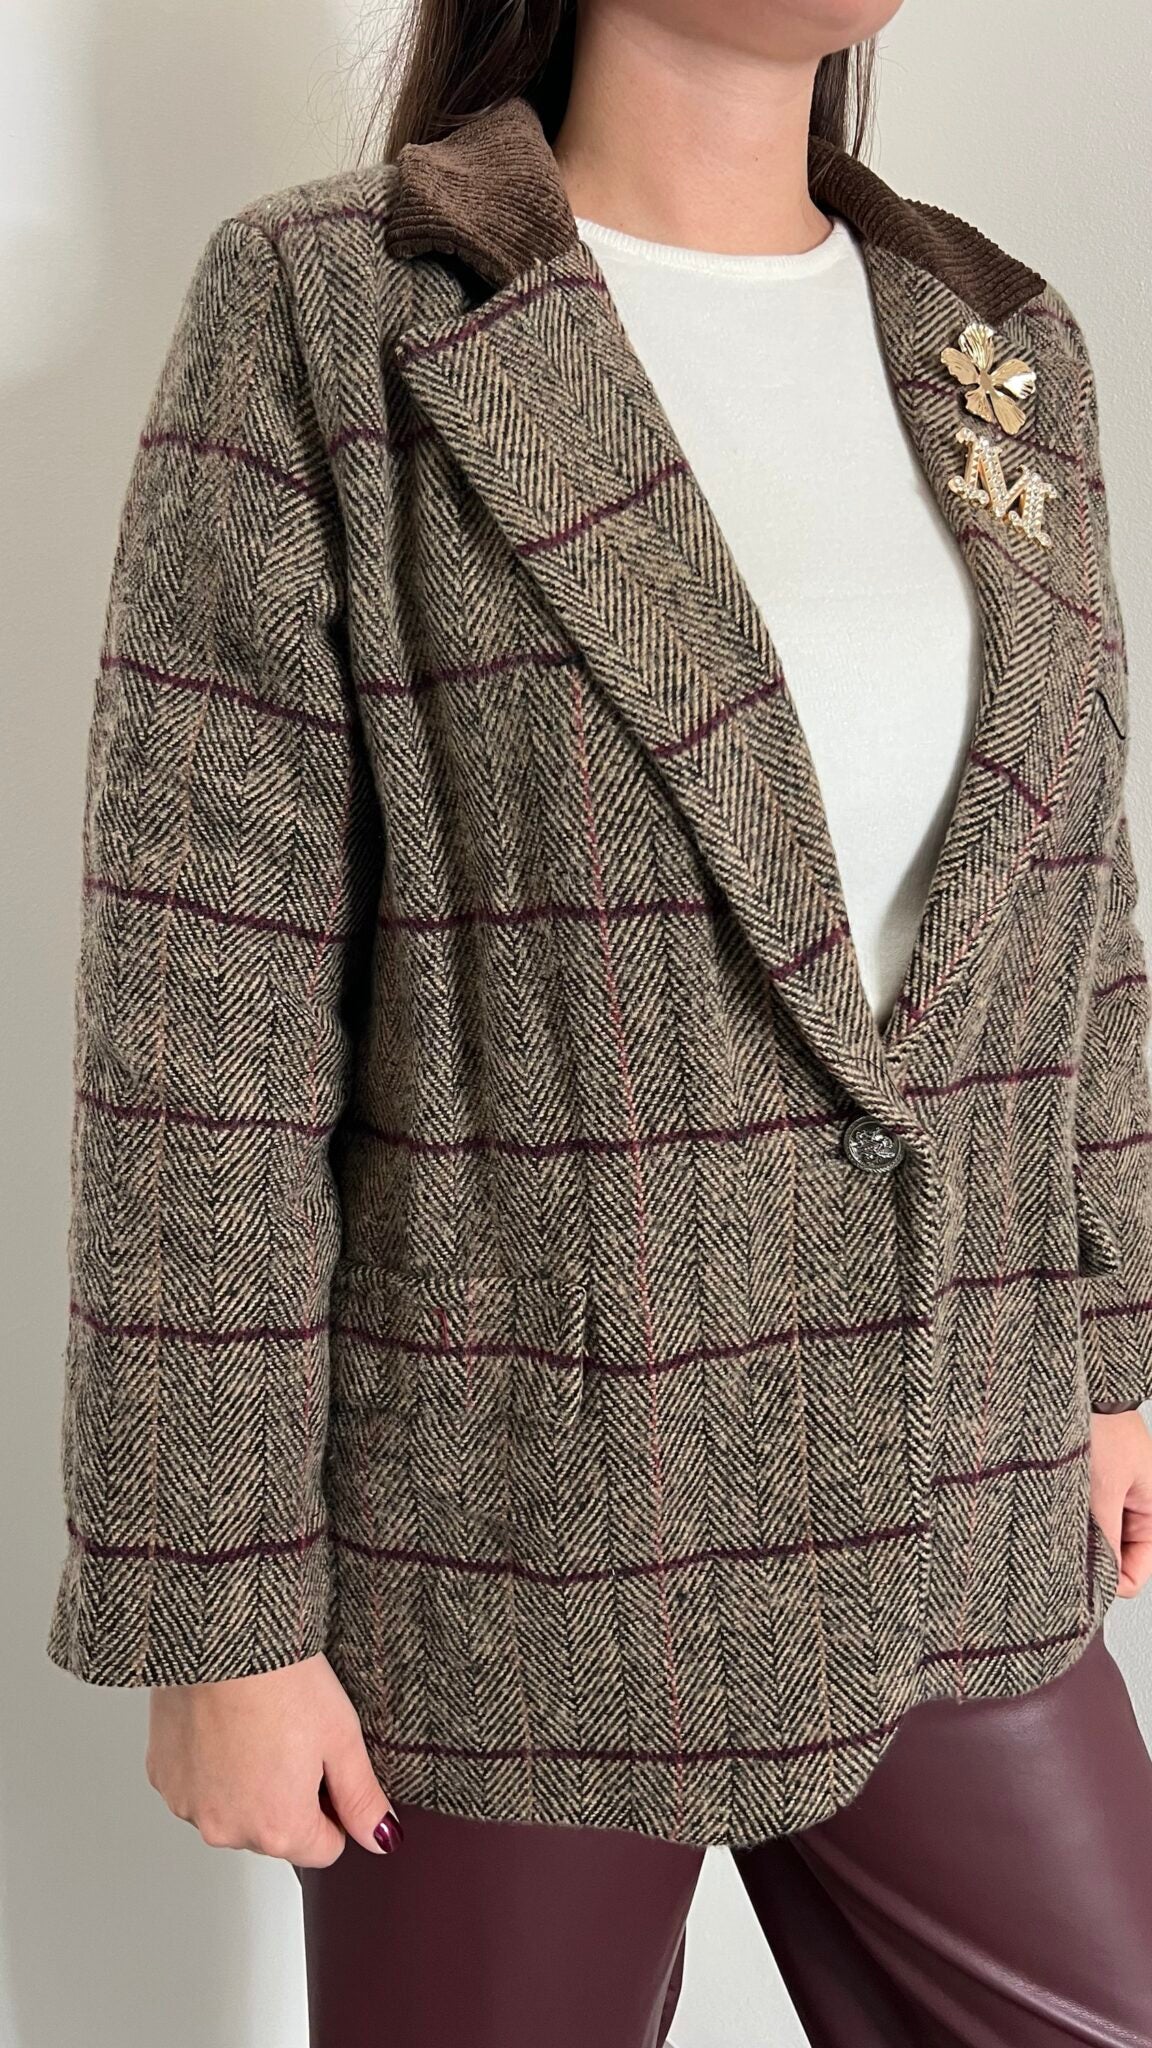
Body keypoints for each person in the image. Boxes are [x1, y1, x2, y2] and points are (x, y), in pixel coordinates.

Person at [47, 1, 1152, 2042]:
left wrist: (1116, 1345)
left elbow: (1077, 912)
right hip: (515, 1554)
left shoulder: (999, 346)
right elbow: (206, 1029)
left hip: (965, 1492)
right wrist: (217, 1606)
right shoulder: (334, 313)